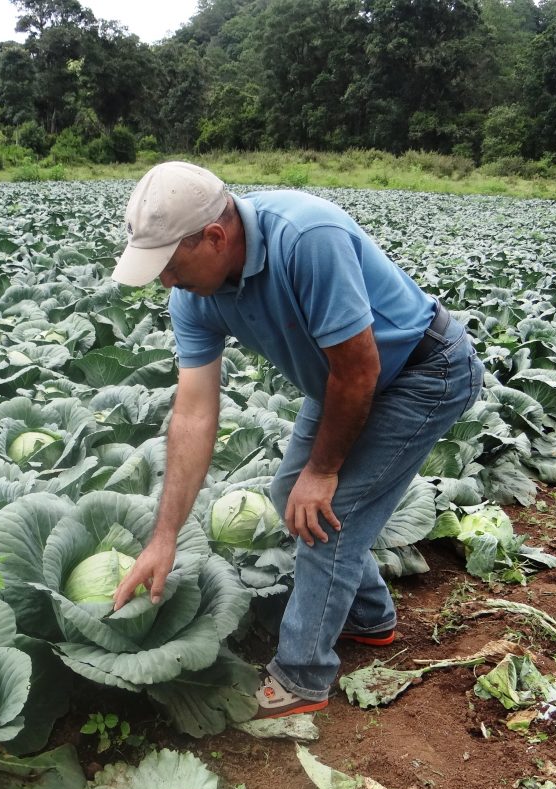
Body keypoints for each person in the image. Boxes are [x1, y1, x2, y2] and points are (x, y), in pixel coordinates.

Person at [109, 162, 484, 719]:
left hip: (422, 371)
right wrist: (164, 537)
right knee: (293, 493)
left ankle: (302, 677)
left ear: (215, 237)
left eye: (170, 267)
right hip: (338, 378)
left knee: (329, 515)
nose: (166, 282)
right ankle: (371, 619)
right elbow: (193, 414)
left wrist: (325, 471)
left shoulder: (306, 238)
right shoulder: (193, 294)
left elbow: (360, 370)